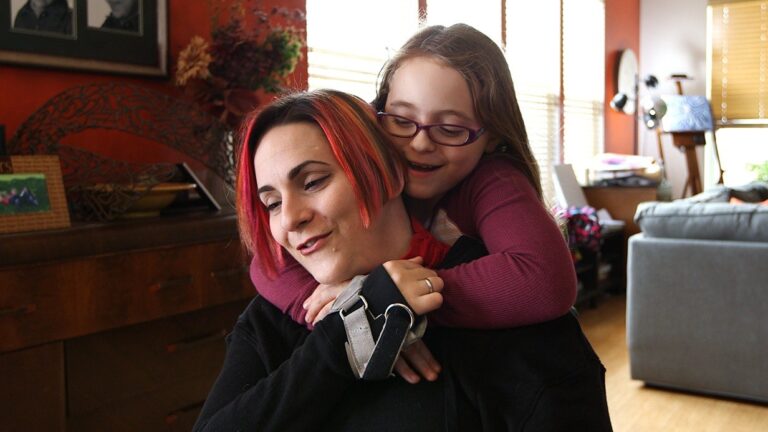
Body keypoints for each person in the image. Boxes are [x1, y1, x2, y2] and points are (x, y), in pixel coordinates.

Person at [194, 89, 611, 431]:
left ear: (389, 174)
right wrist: (348, 334)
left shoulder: (519, 322)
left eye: (314, 181)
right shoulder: (274, 316)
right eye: (271, 203)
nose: (289, 219)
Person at [251, 23, 578, 383]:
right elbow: (266, 261)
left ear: (492, 136)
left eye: (450, 129)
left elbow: (545, 279)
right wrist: (345, 309)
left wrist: (394, 303)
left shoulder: (493, 179)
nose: (420, 144)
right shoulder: (364, 161)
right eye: (401, 120)